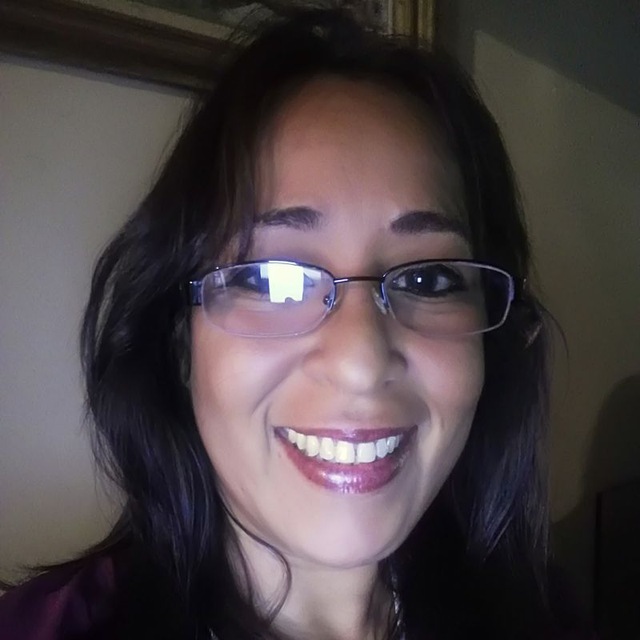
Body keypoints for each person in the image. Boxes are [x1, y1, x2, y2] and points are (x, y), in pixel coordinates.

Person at [0, 8, 591, 640]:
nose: (361, 361)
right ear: (179, 342)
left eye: (428, 280)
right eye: (272, 280)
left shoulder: (544, 616)